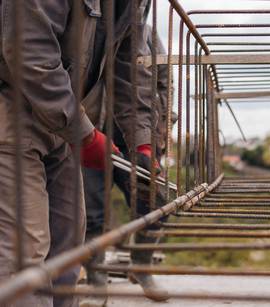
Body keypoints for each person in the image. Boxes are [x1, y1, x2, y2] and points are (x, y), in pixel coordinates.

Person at [0, 1, 150, 306]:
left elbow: (130, 68)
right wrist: (86, 135)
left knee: (68, 253)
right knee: (24, 256)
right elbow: (30, 54)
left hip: (63, 120)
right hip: (12, 113)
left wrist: (142, 143)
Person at [82, 24, 177, 302]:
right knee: (92, 214)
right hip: (92, 131)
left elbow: (164, 78)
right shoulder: (90, 27)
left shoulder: (146, 32)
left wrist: (162, 125)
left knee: (155, 204)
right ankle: (97, 282)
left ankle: (142, 268)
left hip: (138, 137)